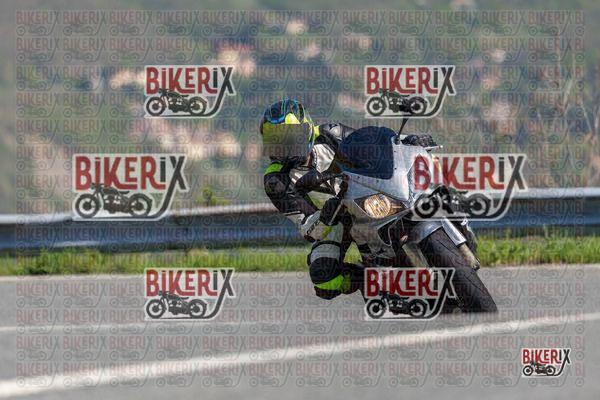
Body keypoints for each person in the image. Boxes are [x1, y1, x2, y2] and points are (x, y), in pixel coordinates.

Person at [259, 99, 363, 300]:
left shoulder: (330, 134)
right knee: (324, 281)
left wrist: (407, 140)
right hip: (334, 223)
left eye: (289, 138)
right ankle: (368, 279)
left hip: (369, 199)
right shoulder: (276, 180)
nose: (283, 146)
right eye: (275, 140)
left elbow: (374, 145)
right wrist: (328, 214)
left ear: (305, 130)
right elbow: (309, 229)